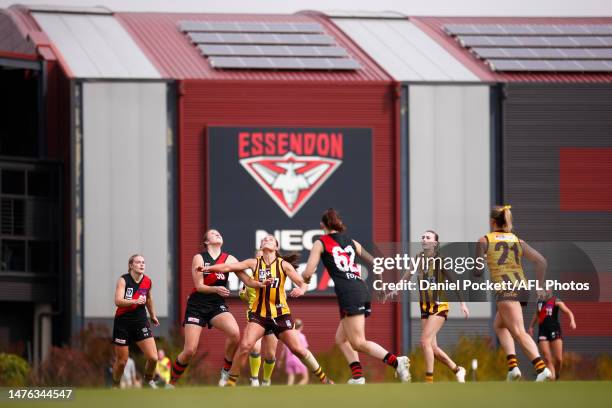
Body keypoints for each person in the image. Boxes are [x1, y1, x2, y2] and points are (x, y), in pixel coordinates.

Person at [205, 234, 333, 386]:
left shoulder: (283, 265)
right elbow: (227, 267)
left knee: (298, 349)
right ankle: (231, 382)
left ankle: (324, 378)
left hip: (280, 314)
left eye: (271, 239)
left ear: (276, 247)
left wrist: (302, 290)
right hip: (259, 315)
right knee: (246, 345)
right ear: (261, 246)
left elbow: (302, 282)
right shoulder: (253, 263)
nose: (267, 240)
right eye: (264, 239)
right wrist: (209, 268)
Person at [301, 208, 411, 384]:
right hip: (360, 288)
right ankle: (358, 377)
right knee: (341, 339)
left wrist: (304, 281)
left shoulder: (320, 243)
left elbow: (307, 271)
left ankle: (397, 362)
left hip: (348, 293)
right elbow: (377, 264)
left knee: (358, 342)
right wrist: (381, 288)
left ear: (323, 225)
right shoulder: (351, 241)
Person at [169, 229, 266, 387]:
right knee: (190, 350)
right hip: (197, 306)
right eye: (213, 234)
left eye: (219, 233)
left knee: (235, 334)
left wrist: (261, 284)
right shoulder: (199, 258)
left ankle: (225, 371)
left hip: (216, 305)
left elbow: (248, 281)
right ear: (206, 242)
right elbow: (199, 286)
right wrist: (216, 289)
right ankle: (171, 382)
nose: (218, 234)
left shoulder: (230, 259)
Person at [475, 205, 552, 381]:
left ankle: (542, 369)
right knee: (500, 326)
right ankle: (513, 369)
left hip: (506, 289)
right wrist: (539, 286)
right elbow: (541, 261)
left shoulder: (484, 240)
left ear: (492, 221)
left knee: (518, 331)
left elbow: (477, 272)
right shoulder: (517, 240)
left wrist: (483, 261)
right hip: (522, 289)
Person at [387, 230, 469, 383]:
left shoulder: (441, 260)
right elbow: (407, 276)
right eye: (423, 237)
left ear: (435, 243)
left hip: (439, 306)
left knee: (424, 342)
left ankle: (429, 380)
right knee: (432, 347)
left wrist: (462, 303)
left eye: (428, 237)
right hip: (424, 307)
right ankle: (458, 370)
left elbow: (455, 281)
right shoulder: (418, 258)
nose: (424, 239)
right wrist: (395, 289)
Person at [111, 254, 160, 389]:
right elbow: (118, 301)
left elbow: (149, 298)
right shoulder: (123, 280)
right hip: (123, 322)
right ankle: (115, 384)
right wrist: (134, 301)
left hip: (140, 321)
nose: (142, 264)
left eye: (143, 262)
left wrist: (153, 315)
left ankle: (148, 380)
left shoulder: (147, 281)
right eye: (138, 262)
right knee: (122, 362)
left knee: (153, 358)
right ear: (131, 265)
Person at [238, 250, 279, 387]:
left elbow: (281, 297)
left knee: (270, 354)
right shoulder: (250, 276)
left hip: (272, 315)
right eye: (258, 255)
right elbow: (244, 295)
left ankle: (266, 380)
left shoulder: (277, 272)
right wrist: (243, 294)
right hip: (255, 314)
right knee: (255, 348)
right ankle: (254, 379)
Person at [528, 291, 577, 380]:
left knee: (558, 359)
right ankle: (552, 378)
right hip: (543, 331)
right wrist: (531, 326)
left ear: (550, 291)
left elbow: (568, 311)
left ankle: (557, 374)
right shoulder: (539, 302)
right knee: (547, 358)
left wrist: (572, 320)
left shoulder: (556, 300)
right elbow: (537, 314)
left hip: (554, 330)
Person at [280, 318, 310, 385]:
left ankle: (288, 392)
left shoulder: (288, 336)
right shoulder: (302, 336)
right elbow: (305, 350)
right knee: (305, 378)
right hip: (299, 359)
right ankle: (296, 389)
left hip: (289, 360)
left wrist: (280, 360)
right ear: (301, 326)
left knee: (291, 377)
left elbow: (283, 351)